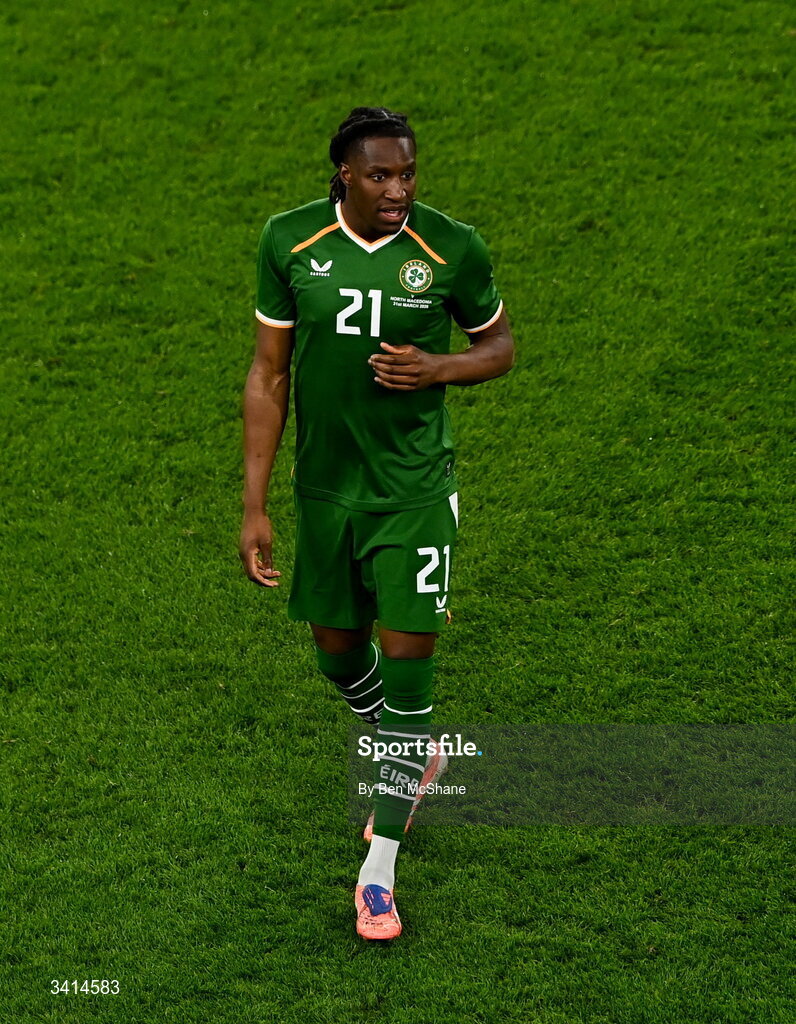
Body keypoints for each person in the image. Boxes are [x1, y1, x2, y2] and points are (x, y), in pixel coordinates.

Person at [239, 106, 514, 940]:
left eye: (408, 175)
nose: (399, 191)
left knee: (407, 673)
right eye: (382, 177)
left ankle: (380, 868)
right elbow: (268, 372)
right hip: (326, 492)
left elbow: (498, 345)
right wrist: (253, 504)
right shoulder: (289, 242)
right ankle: (412, 750)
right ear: (345, 177)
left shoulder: (450, 247)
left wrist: (440, 367)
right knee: (335, 652)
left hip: (414, 493)